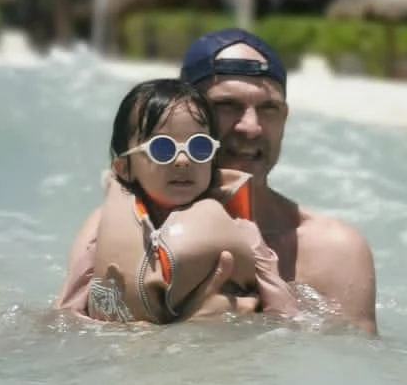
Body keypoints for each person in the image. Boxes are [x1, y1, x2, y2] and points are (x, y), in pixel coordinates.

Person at [57, 28, 378, 334]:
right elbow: (69, 342)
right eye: (227, 105)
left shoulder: (336, 252)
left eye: (269, 108)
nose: (251, 127)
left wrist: (242, 329)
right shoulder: (107, 230)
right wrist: (182, 334)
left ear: (284, 118)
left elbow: (351, 374)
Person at [74, 77, 296, 325]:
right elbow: (66, 321)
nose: (183, 160)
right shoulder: (101, 237)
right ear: (124, 168)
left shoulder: (244, 234)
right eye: (162, 148)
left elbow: (285, 322)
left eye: (199, 147)